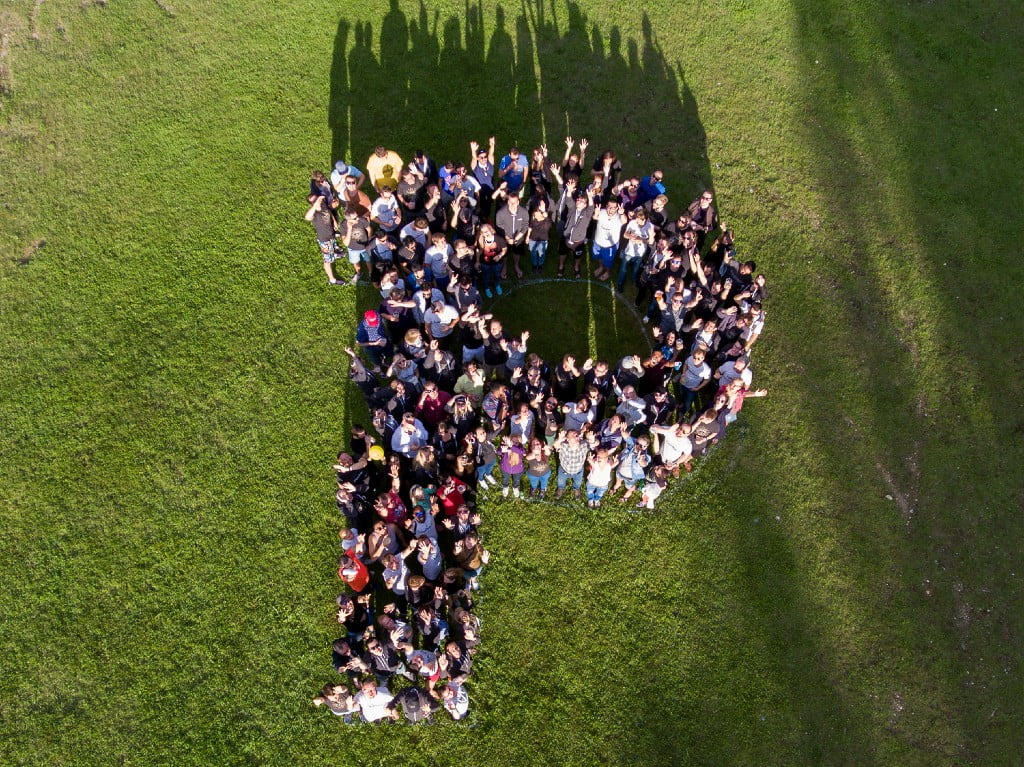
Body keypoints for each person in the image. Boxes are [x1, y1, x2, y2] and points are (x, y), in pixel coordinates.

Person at [304, 195, 344, 285]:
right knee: (327, 261)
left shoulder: (323, 205)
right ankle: (332, 280)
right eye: (314, 200)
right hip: (325, 240)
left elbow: (329, 211)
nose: (318, 200)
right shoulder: (314, 213)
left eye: (317, 198)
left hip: (331, 235)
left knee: (333, 246)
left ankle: (334, 254)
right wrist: (316, 204)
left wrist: (333, 221)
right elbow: (307, 217)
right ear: (312, 204)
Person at [553, 428, 595, 498]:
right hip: (564, 471)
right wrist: (559, 439)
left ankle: (576, 488)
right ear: (567, 439)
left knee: (578, 482)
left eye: (577, 435)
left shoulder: (584, 445)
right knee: (561, 481)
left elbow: (595, 444)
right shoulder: (564, 445)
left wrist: (592, 440)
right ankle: (561, 488)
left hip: (578, 471)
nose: (577, 436)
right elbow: (555, 445)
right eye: (574, 435)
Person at [475, 224, 507, 299]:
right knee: (486, 276)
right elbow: (478, 251)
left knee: (497, 274)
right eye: (482, 232)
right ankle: (487, 288)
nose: (485, 233)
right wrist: (477, 261)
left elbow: (504, 249)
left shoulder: (499, 239)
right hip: (485, 263)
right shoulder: (481, 240)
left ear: (491, 230)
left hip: (497, 263)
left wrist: (499, 256)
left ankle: (497, 285)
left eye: (486, 231)